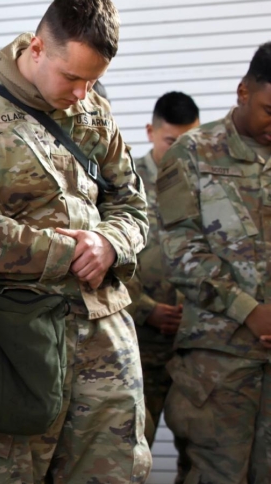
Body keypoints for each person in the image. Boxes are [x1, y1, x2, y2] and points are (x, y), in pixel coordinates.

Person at [0, 0, 152, 481]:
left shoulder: (94, 111)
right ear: (36, 48)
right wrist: (69, 252)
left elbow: (133, 203)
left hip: (104, 334)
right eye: (72, 77)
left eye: (92, 80)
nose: (82, 92)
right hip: (15, 339)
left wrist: (110, 244)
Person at [157, 41, 271, 484]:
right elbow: (181, 252)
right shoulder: (193, 153)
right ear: (243, 91)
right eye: (268, 109)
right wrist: (250, 310)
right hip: (218, 365)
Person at [127, 91, 199, 450]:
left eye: (190, 139)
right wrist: (147, 309)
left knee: (202, 452)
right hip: (139, 344)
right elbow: (110, 257)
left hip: (196, 345)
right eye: (172, 140)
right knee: (134, 448)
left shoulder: (207, 185)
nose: (181, 150)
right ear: (150, 132)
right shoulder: (125, 182)